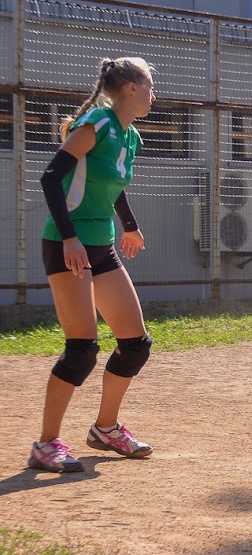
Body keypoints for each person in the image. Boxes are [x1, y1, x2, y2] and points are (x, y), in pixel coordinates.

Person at [29, 57, 156, 473]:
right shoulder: (97, 124)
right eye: (150, 85)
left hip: (100, 246)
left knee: (135, 344)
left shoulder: (130, 135)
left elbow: (112, 183)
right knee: (81, 350)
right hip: (69, 246)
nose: (154, 94)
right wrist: (69, 237)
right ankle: (46, 444)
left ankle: (105, 429)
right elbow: (51, 177)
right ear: (131, 89)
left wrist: (131, 227)